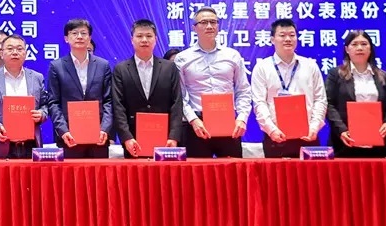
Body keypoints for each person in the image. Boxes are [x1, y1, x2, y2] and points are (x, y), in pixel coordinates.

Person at [174, 8, 252, 158]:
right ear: (194, 28)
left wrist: (242, 118)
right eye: (204, 22)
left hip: (228, 123)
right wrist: (193, 120)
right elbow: (180, 96)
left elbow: (243, 90)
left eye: (213, 22)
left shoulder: (232, 55)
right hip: (197, 124)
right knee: (198, 172)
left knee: (232, 171)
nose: (209, 26)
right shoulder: (183, 58)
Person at [250, 18, 327, 158]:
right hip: (275, 138)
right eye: (282, 35)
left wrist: (314, 127)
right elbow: (259, 103)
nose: (288, 39)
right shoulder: (262, 67)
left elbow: (320, 100)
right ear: (272, 39)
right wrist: (271, 130)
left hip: (308, 136)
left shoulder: (310, 66)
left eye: (292, 35)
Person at [112, 19, 185, 156]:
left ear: (155, 39)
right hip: (133, 141)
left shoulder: (169, 68)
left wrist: (174, 136)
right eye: (139, 36)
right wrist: (126, 137)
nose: (144, 40)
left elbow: (177, 103)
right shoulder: (121, 69)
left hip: (166, 140)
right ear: (132, 40)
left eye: (149, 36)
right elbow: (118, 106)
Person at [325, 30, 386, 157]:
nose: (359, 48)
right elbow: (329, 105)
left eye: (364, 44)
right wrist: (342, 130)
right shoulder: (336, 74)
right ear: (347, 49)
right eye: (354, 44)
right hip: (345, 143)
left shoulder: (384, 77)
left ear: (370, 48)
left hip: (377, 145)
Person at [46, 19, 113, 158]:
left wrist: (104, 129)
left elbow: (109, 100)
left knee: (98, 172)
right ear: (66, 38)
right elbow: (53, 102)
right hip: (69, 137)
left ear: (89, 38)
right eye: (74, 33)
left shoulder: (103, 65)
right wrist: (63, 131)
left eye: (83, 33)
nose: (79, 37)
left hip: (98, 137)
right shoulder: (56, 66)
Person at [0, 33, 49, 159]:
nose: (15, 52)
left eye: (19, 49)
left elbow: (46, 105)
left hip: (30, 145)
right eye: (10, 49)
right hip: (1, 144)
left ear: (26, 53)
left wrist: (41, 114)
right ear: (2, 53)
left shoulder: (37, 78)